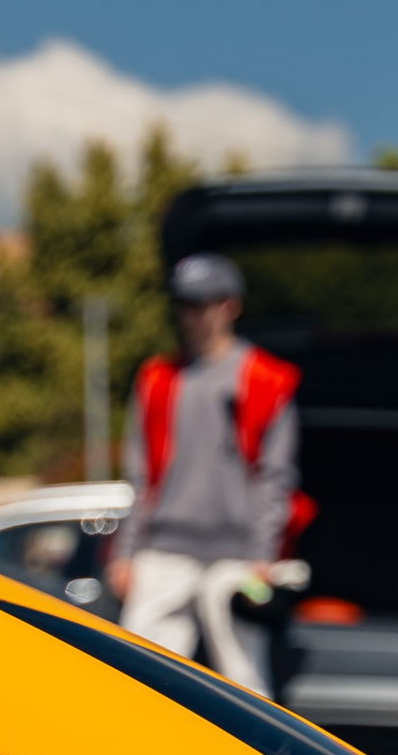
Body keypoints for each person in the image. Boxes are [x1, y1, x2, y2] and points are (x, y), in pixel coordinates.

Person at [105, 251, 304, 693]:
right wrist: (125, 552)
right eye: (183, 305)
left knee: (245, 683)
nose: (190, 316)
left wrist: (263, 557)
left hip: (238, 557)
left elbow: (275, 477)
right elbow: (139, 474)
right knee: (141, 679)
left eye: (201, 304)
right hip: (165, 548)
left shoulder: (266, 379)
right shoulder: (157, 378)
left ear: (230, 305)